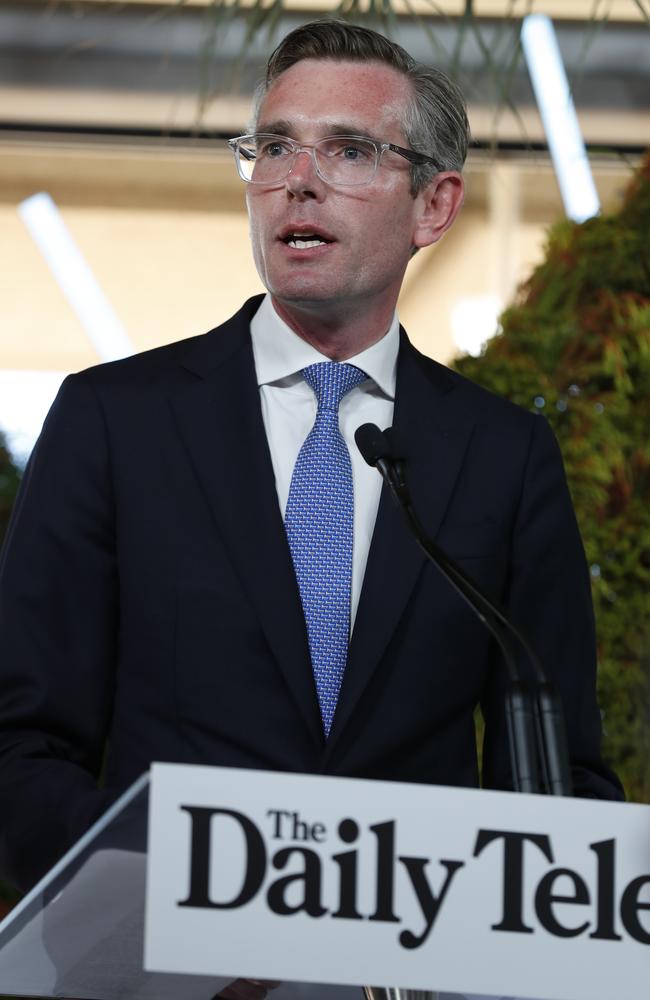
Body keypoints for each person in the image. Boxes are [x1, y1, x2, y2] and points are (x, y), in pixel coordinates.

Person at [0, 20, 622, 894]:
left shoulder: (502, 457)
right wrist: (167, 891)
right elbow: (21, 745)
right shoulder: (116, 423)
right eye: (275, 148)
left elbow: (557, 777)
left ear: (433, 205)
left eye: (350, 151)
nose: (298, 182)